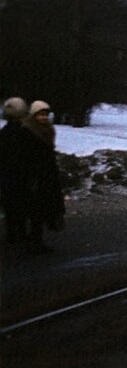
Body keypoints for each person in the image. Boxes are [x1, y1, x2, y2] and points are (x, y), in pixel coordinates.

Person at [22, 101, 65, 254]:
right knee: (36, 211)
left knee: (41, 211)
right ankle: (33, 242)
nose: (43, 118)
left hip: (46, 176)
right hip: (34, 177)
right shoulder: (28, 131)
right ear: (34, 115)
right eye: (40, 115)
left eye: (45, 115)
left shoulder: (47, 130)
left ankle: (35, 240)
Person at [1, 97, 37, 247]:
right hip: (22, 175)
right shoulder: (26, 133)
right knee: (22, 205)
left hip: (6, 176)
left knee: (10, 205)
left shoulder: (3, 133)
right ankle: (21, 233)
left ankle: (10, 233)